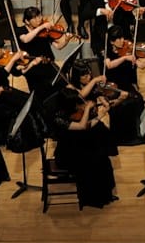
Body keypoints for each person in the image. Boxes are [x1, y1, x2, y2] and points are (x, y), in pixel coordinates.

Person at [46, 63, 119, 207]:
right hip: (68, 154)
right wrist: (88, 110)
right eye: (78, 105)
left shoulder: (72, 112)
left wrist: (99, 116)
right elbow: (81, 126)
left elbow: (88, 126)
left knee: (103, 158)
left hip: (77, 145)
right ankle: (94, 198)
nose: (80, 106)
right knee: (96, 161)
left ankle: (105, 193)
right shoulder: (60, 118)